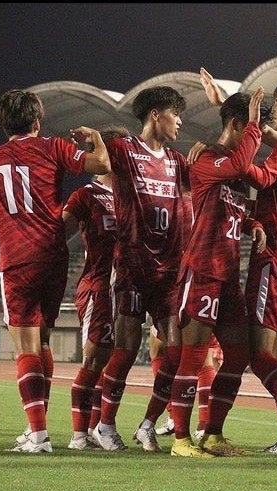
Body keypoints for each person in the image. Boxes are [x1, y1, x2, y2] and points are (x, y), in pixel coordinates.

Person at [0, 88, 110, 453]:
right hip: (53, 257)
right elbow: (102, 164)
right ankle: (35, 428)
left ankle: (39, 435)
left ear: (4, 125)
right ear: (37, 122)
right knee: (41, 343)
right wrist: (96, 137)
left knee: (25, 347)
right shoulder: (53, 147)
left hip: (17, 259)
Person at [198, 67, 277, 455]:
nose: (273, 111)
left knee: (257, 354)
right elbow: (266, 135)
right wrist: (227, 106)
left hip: (274, 259)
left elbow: (255, 175)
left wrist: (226, 159)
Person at [95, 86, 190, 453]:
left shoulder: (177, 161)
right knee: (126, 348)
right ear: (155, 115)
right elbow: (94, 161)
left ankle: (148, 424)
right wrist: (91, 140)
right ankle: (104, 425)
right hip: (133, 267)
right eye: (175, 114)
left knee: (175, 351)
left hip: (168, 272)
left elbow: (207, 189)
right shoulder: (123, 150)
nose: (179, 122)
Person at [63, 125, 129, 451]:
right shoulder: (86, 195)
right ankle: (78, 436)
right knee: (94, 361)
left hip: (126, 290)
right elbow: (57, 232)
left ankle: (96, 430)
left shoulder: (133, 197)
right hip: (99, 288)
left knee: (115, 362)